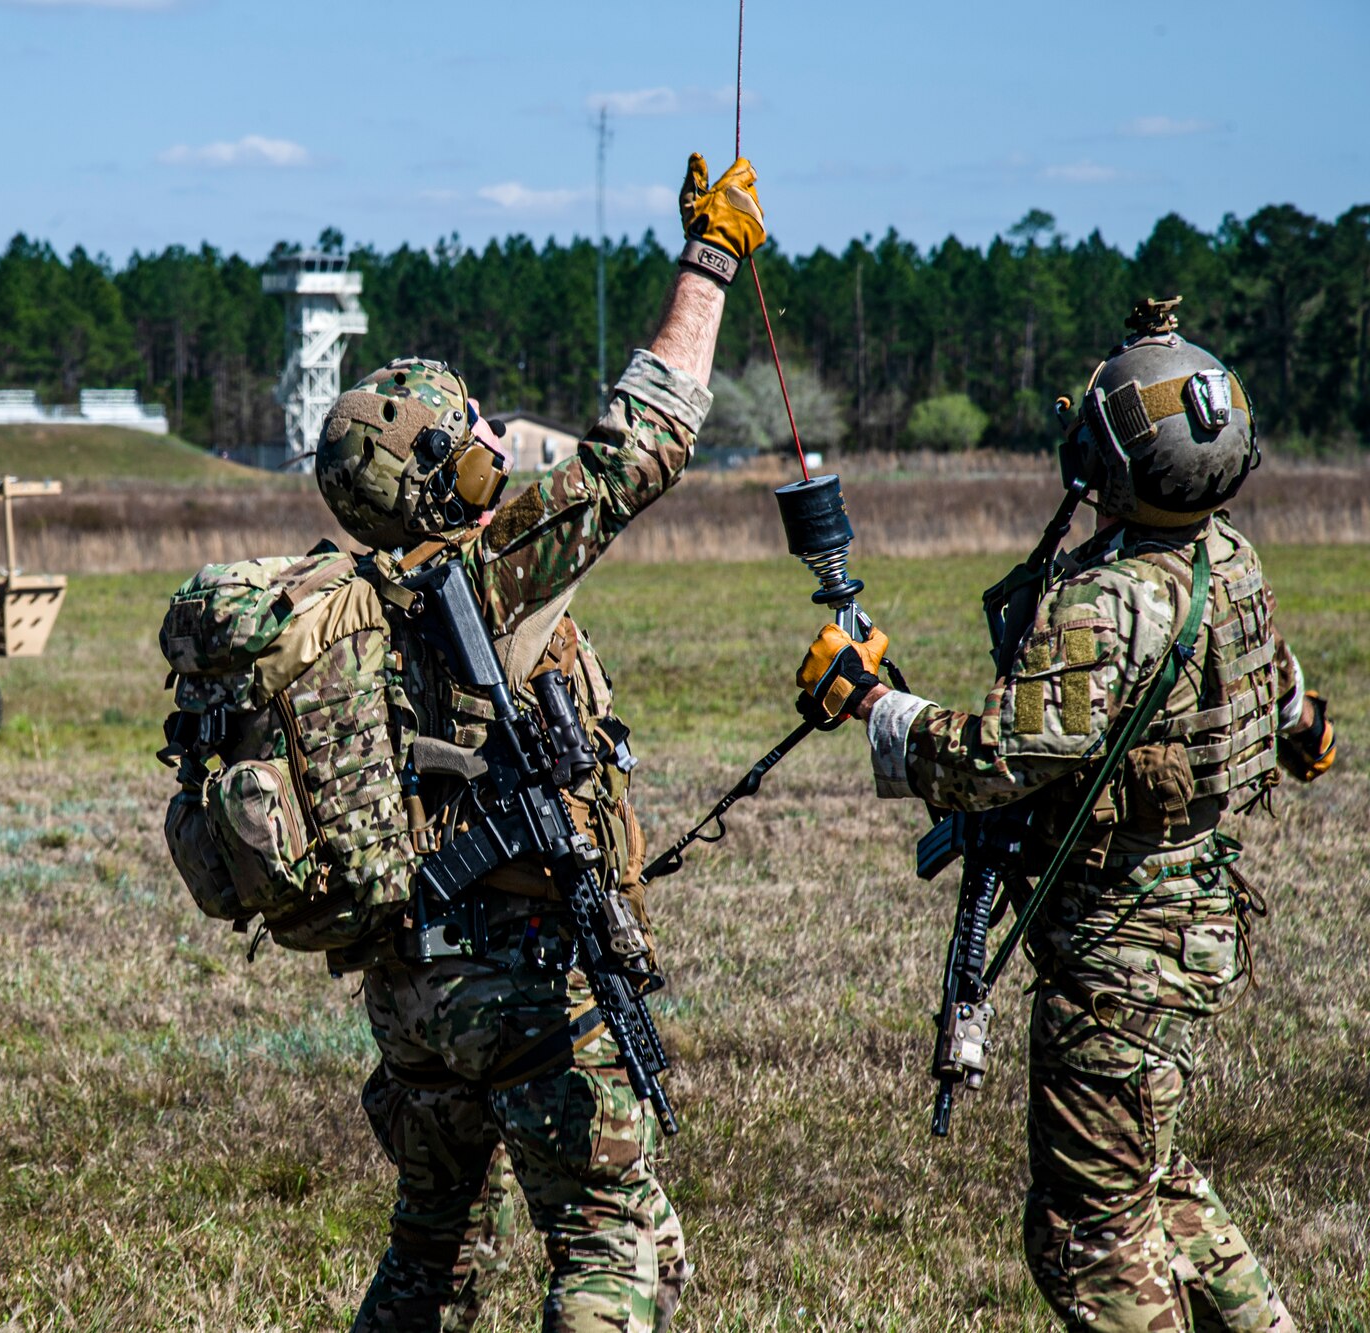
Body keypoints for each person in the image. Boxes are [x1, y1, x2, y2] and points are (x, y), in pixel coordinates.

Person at [796, 297, 1334, 1332]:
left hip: (1120, 950)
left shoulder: (1108, 596)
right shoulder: (1228, 558)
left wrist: (876, 708)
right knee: (1154, 1183)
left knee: (1085, 1235)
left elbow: (998, 760)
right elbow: (1274, 698)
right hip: (1192, 921)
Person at [319, 152, 764, 1332]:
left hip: (406, 988)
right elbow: (641, 444)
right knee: (605, 1248)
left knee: (427, 1251)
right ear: (454, 466)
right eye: (470, 435)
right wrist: (709, 263)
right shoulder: (487, 571)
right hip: (522, 971)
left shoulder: (339, 606)